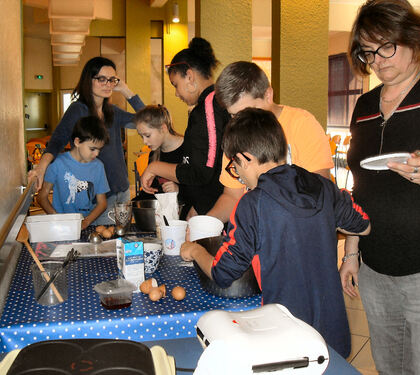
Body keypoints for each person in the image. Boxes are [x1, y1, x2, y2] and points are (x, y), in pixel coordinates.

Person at [180, 108, 371, 358]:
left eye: (235, 167)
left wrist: (194, 250)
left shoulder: (251, 204)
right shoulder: (322, 185)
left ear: (245, 158)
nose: (238, 177)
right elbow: (363, 225)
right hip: (332, 333)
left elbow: (223, 272)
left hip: (287, 335)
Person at [340, 1, 420, 374]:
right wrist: (352, 251)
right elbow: (360, 185)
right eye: (368, 52)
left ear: (413, 39)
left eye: (386, 46)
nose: (378, 60)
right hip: (376, 269)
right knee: (389, 366)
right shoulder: (365, 105)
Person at [206, 61, 334, 223]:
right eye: (233, 115)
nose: (241, 122)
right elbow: (232, 196)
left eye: (246, 111)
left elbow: (319, 192)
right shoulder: (236, 133)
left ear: (268, 95)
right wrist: (206, 224)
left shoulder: (302, 124)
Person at [28, 56, 145, 225]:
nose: (108, 84)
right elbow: (57, 140)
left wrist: (126, 90)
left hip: (123, 190)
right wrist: (41, 167)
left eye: (112, 80)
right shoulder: (78, 110)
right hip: (100, 197)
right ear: (88, 80)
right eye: (101, 79)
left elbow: (148, 121)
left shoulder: (113, 112)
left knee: (120, 240)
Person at [140, 38, 230, 219]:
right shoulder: (209, 106)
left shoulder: (209, 109)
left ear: (189, 76)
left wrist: (155, 167)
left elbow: (202, 171)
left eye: (175, 85)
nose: (176, 93)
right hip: (210, 203)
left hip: (219, 207)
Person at [37, 117, 110, 230]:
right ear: (77, 142)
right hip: (60, 227)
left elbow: (102, 203)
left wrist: (86, 222)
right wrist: (57, 219)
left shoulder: (98, 166)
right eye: (92, 149)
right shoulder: (57, 163)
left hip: (86, 226)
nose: (96, 154)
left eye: (99, 150)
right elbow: (42, 196)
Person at [134, 105, 184, 200]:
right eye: (142, 137)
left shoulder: (188, 149)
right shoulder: (153, 154)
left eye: (147, 135)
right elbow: (152, 191)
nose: (144, 141)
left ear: (163, 128)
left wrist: (179, 190)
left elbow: (200, 188)